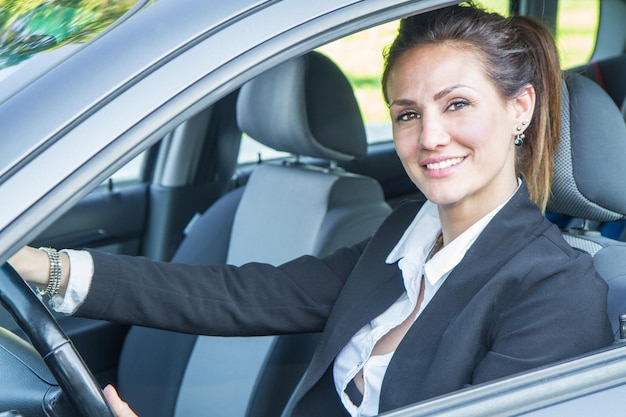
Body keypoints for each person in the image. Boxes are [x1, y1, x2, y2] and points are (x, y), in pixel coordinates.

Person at [9, 3, 614, 417]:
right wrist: (41, 266)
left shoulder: (556, 291)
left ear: (520, 109)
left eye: (457, 104)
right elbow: (244, 295)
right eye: (407, 113)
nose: (429, 136)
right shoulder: (404, 231)